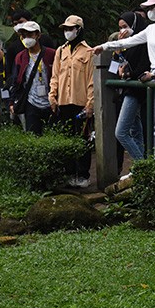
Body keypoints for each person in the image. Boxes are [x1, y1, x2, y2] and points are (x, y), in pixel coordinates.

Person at [94, 0, 155, 155]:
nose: (150, 11)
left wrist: (132, 74)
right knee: (154, 124)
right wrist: (106, 47)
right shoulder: (150, 30)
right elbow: (123, 51)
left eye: (152, 7)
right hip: (147, 83)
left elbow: (151, 61)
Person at [49, 15, 94, 188]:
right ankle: (69, 174)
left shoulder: (88, 52)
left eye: (70, 28)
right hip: (63, 101)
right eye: (65, 29)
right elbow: (55, 75)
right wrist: (52, 95)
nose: (67, 32)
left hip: (80, 101)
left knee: (82, 139)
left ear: (79, 29)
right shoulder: (60, 51)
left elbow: (91, 80)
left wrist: (90, 104)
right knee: (66, 138)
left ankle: (83, 175)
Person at [113, 11, 151, 174]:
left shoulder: (144, 42)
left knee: (121, 132)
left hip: (136, 91)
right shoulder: (126, 44)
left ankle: (142, 166)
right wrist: (119, 50)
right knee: (135, 131)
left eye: (125, 26)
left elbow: (142, 67)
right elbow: (116, 67)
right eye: (120, 27)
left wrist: (128, 74)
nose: (122, 30)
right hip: (127, 90)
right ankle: (140, 169)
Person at [10, 21, 56, 135]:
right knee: (33, 135)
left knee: (52, 134)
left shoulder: (51, 54)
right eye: (24, 35)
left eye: (30, 34)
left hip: (51, 102)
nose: (27, 38)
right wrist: (12, 102)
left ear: (38, 35)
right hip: (31, 103)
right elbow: (16, 80)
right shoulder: (20, 57)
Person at [5, 9, 56, 80]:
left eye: (21, 22)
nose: (18, 25)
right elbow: (10, 72)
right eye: (15, 24)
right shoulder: (13, 48)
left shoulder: (45, 40)